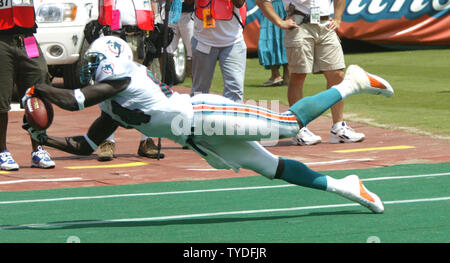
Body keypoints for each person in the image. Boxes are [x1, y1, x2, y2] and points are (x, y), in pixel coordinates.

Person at [22, 36, 394, 214]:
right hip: (197, 138)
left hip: (205, 114)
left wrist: (37, 86)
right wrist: (45, 139)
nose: (88, 69)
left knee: (286, 125)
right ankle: (345, 186)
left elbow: (71, 101)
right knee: (272, 167)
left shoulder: (123, 80)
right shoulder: (112, 108)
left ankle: (353, 81)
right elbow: (86, 146)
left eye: (95, 62)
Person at [256, 0, 365, 146]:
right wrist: (280, 22)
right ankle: (298, 129)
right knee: (298, 75)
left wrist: (338, 18)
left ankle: (338, 128)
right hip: (299, 24)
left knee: (337, 74)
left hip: (326, 24)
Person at [87, 0, 164, 161]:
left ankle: (146, 140)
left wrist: (158, 23)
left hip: (142, 35)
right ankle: (107, 141)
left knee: (150, 88)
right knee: (109, 89)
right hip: (113, 36)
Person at [0, 0, 55, 170]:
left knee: (38, 88)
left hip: (27, 38)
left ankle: (38, 150)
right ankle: (2, 151)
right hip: (2, 38)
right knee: (1, 98)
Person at [186, 0, 247, 103]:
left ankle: (232, 118)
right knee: (199, 91)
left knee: (235, 90)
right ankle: (199, 118)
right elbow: (188, 2)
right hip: (203, 41)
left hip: (233, 42)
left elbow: (239, 3)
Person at [257, 0, 289, 87]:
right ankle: (277, 75)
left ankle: (283, 76)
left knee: (282, 41)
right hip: (271, 6)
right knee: (270, 41)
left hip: (278, 6)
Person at [166, 1, 194, 80]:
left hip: (188, 14)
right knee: (166, 49)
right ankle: (168, 84)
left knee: (193, 51)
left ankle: (196, 88)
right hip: (172, 13)